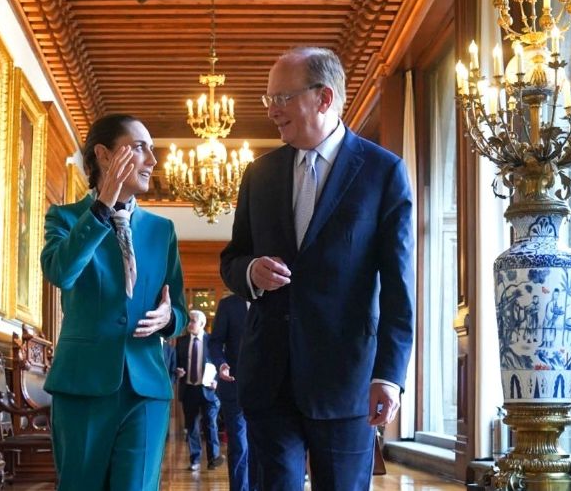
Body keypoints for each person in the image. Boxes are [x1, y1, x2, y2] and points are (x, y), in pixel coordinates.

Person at [219, 47, 415, 490]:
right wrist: (251, 272)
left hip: (346, 382)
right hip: (269, 377)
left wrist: (390, 375)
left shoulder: (383, 172)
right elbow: (232, 259)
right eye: (267, 99)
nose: (271, 111)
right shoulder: (259, 174)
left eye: (281, 98)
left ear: (324, 98)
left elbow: (400, 286)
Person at [41, 114, 188, 491]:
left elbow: (181, 311)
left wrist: (169, 317)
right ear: (104, 155)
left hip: (147, 387)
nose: (152, 161)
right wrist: (102, 205)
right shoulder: (65, 218)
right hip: (83, 385)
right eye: (140, 147)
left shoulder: (162, 230)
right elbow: (62, 272)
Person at [207, 294, 261, 491]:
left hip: (269, 390)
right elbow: (215, 342)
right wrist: (220, 364)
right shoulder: (229, 305)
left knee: (262, 446)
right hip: (234, 386)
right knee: (239, 444)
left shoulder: (275, 300)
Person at [175, 310, 225, 472]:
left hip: (209, 391)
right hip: (189, 389)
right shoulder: (181, 342)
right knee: (192, 427)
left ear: (202, 324)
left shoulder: (212, 342)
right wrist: (178, 371)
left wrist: (216, 381)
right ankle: (195, 460)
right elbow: (175, 363)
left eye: (193, 321)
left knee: (210, 423)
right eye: (189, 321)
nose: (189, 324)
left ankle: (213, 458)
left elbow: (221, 363)